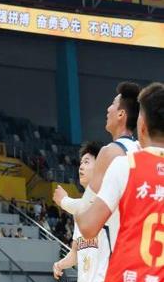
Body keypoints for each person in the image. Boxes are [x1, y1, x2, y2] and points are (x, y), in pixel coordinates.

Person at [76, 82, 164, 282]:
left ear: (142, 124)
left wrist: (74, 203)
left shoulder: (122, 163)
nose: (108, 109)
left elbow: (87, 225)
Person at [54, 82, 141, 254]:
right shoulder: (140, 149)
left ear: (121, 114)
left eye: (113, 104)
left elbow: (86, 213)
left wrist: (64, 201)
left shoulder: (110, 152)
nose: (108, 109)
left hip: (124, 255)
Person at [53, 141, 107, 282]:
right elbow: (76, 253)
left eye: (86, 162)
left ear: (99, 167)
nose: (80, 167)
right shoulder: (79, 211)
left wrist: (64, 201)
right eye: (80, 163)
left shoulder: (107, 201)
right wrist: (60, 264)